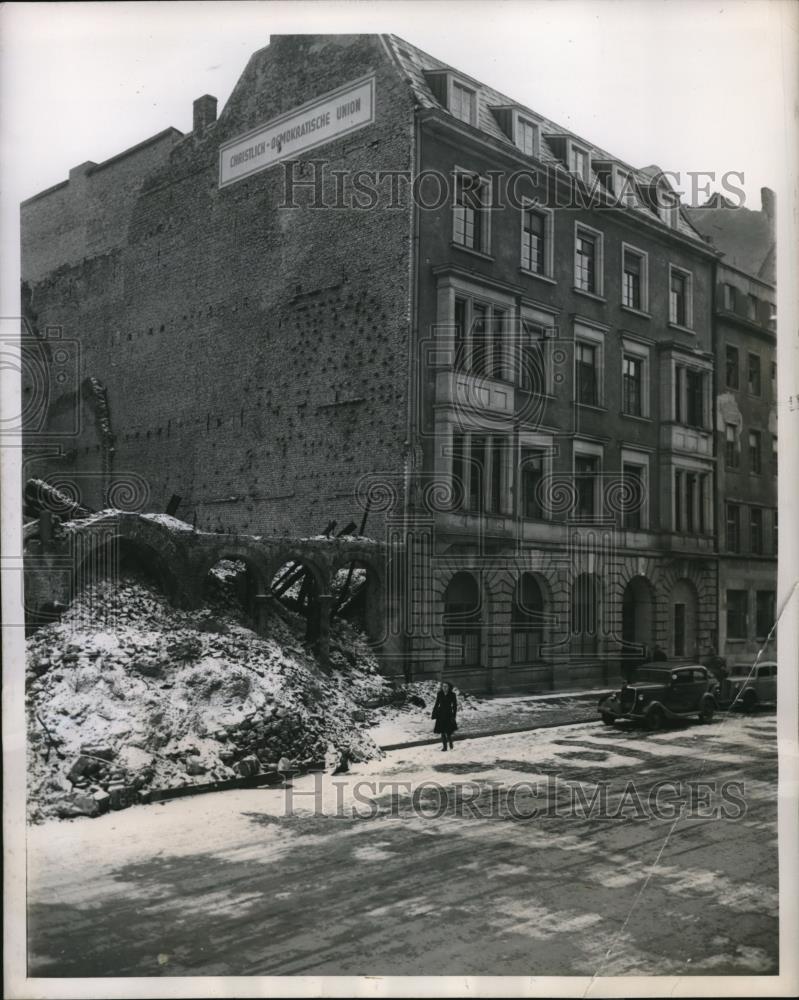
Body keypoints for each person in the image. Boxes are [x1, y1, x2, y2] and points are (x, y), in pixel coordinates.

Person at [431, 681, 458, 751]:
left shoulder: (452, 694)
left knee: (448, 731)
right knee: (442, 731)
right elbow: (436, 704)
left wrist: (454, 715)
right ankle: (444, 747)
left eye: (446, 686)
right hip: (441, 714)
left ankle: (450, 743)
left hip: (449, 714)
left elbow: (454, 706)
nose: (444, 688)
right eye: (443, 686)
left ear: (449, 687)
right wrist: (434, 713)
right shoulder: (439, 694)